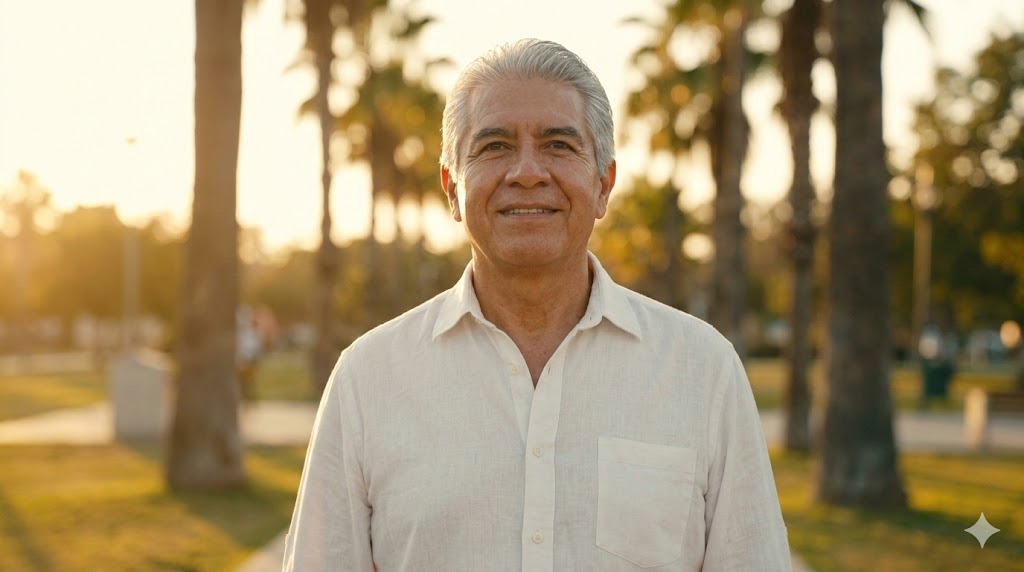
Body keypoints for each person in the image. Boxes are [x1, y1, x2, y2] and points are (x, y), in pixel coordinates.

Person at [284, 38, 791, 571]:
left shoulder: (702, 369)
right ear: (452, 189)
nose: (527, 171)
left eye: (558, 145)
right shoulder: (369, 378)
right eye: (495, 146)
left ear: (603, 185)